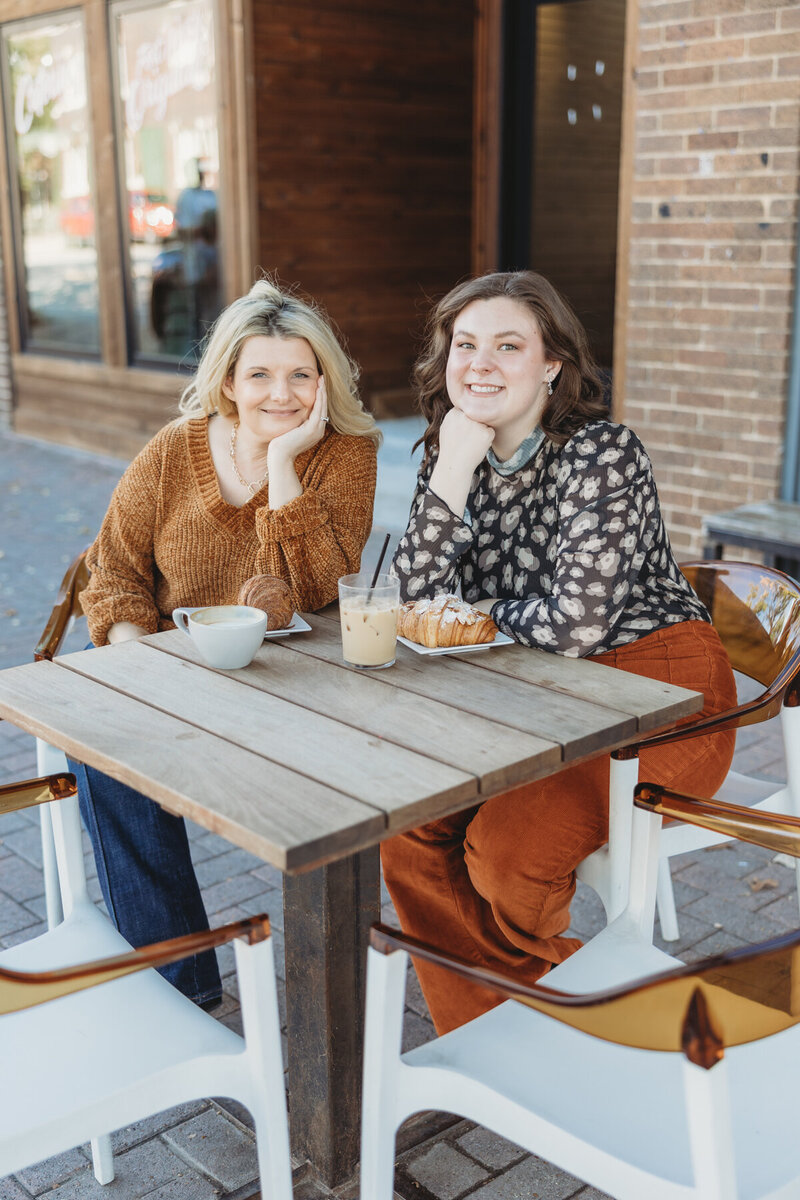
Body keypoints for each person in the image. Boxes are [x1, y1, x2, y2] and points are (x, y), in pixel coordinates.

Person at [385, 270, 737, 1035]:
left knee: (506, 854)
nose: (478, 363)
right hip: (533, 691)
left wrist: (470, 613)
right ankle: (494, 1026)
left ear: (551, 365)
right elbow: (411, 599)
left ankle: (564, 1005)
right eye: (464, 344)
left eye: (508, 346)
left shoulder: (600, 453)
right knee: (409, 832)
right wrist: (452, 467)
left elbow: (579, 623)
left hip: (660, 690)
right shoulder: (452, 452)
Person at [72, 278, 380, 1007]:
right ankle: (183, 982)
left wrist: (281, 467)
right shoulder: (173, 450)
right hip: (176, 668)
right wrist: (135, 658)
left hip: (299, 681)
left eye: (301, 374)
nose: (283, 393)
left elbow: (318, 583)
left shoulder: (346, 453)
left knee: (339, 788)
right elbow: (113, 566)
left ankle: (329, 990)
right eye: (261, 375)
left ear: (324, 378)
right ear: (229, 383)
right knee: (96, 744)